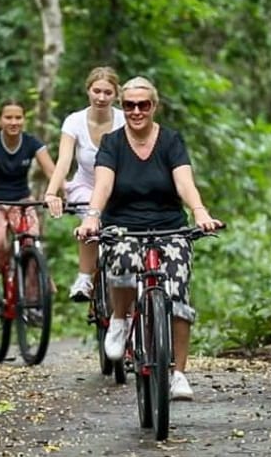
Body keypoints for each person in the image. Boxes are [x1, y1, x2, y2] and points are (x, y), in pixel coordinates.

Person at [76, 77, 222, 401]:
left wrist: (200, 212)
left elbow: (184, 183)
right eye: (129, 105)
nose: (136, 111)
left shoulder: (170, 141)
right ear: (122, 107)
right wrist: (92, 216)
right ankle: (119, 320)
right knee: (123, 262)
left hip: (169, 227)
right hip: (123, 226)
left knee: (178, 294)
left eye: (143, 105)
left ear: (154, 106)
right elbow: (103, 185)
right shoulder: (112, 143)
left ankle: (178, 374)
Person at [0, 99, 56, 314]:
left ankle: (33, 299)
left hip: (21, 201)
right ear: (0, 120)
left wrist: (62, 193)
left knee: (31, 241)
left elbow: (52, 171)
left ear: (24, 120)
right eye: (8, 117)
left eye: (18, 117)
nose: (13, 122)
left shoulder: (32, 142)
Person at [44, 66, 126, 301]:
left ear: (116, 95)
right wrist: (51, 192)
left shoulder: (124, 120)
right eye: (96, 91)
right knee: (91, 220)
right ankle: (84, 277)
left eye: (107, 92)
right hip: (86, 186)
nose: (101, 97)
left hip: (118, 187)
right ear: (88, 90)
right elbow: (64, 161)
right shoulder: (74, 121)